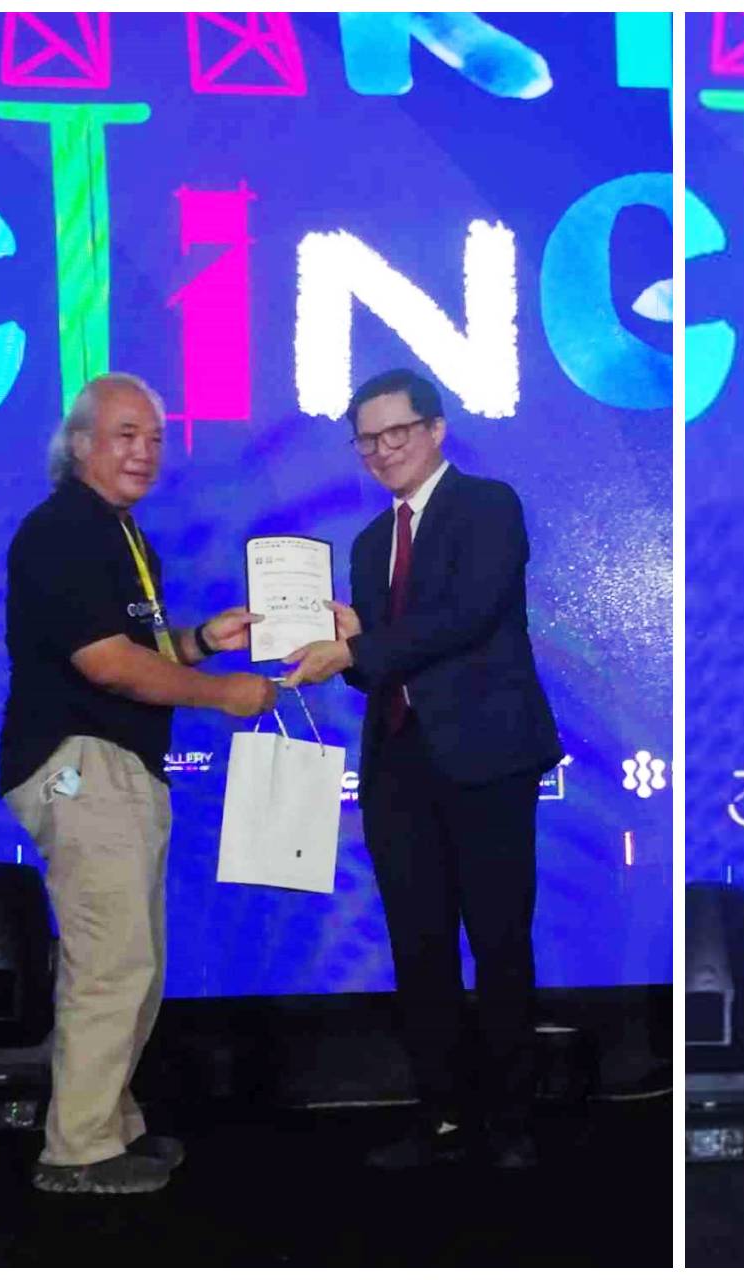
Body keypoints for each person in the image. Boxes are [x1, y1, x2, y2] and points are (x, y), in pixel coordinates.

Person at [0, 372, 276, 1194]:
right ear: (79, 443)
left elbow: (142, 653)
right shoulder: (64, 531)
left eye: (154, 437)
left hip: (116, 766)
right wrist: (223, 694)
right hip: (83, 762)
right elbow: (108, 665)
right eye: (125, 434)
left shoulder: (120, 535)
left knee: (133, 960)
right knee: (112, 962)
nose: (145, 451)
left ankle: (111, 1126)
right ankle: (77, 1152)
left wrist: (203, 642)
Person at [282, 368, 562, 1170]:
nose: (381, 450)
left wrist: (361, 648)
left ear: (436, 430)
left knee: (500, 943)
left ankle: (510, 1122)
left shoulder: (489, 506)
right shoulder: (372, 543)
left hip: (487, 759)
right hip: (398, 765)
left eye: (396, 432)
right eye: (366, 439)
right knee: (418, 946)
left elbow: (468, 616)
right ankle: (439, 1115)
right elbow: (379, 669)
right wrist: (349, 647)